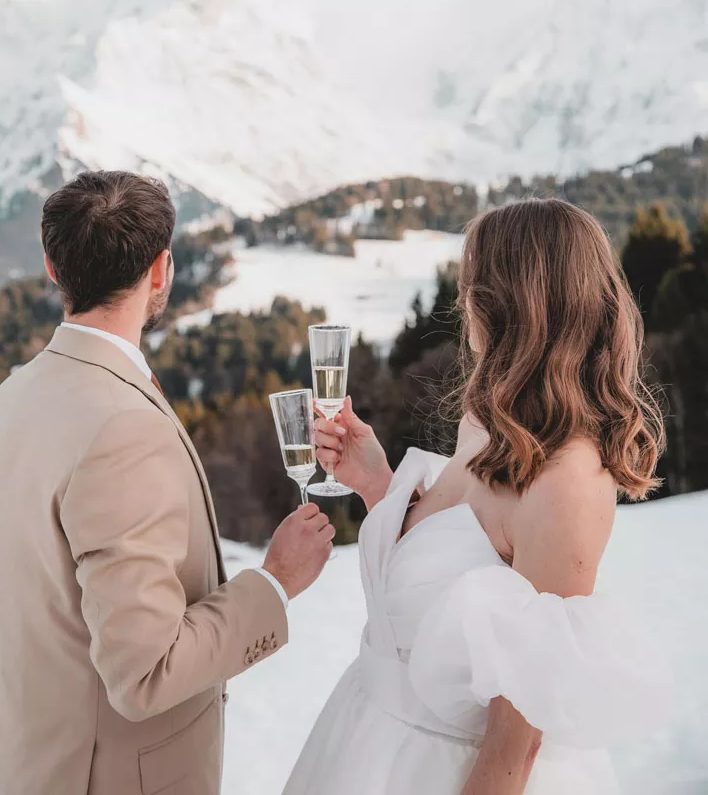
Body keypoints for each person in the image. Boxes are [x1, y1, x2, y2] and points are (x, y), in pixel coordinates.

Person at [285, 198, 672, 795]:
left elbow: (514, 746)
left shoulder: (569, 481)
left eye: (473, 284)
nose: (463, 301)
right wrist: (376, 482)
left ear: (508, 303)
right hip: (367, 743)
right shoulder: (488, 423)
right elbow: (445, 568)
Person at [0, 171, 334, 795]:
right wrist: (276, 581)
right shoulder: (123, 428)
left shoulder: (10, 398)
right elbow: (146, 673)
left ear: (53, 269)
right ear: (162, 271)